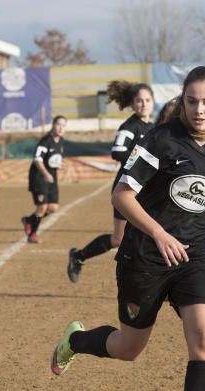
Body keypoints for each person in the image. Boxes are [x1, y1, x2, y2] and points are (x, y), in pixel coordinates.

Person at [50, 66, 205, 391]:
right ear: (183, 98)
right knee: (129, 349)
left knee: (204, 340)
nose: (198, 110)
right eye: (191, 101)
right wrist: (158, 233)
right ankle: (75, 341)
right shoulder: (159, 139)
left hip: (194, 257)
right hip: (144, 257)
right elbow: (121, 195)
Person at [66, 81, 154, 284]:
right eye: (139, 100)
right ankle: (78, 256)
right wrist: (138, 162)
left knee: (148, 235)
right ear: (133, 104)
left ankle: (152, 281)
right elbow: (117, 150)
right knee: (118, 239)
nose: (143, 104)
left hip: (146, 190)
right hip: (126, 189)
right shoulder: (130, 126)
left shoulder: (154, 127)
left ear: (153, 102)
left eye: (147, 100)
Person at [20, 115, 66, 244]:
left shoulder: (61, 141)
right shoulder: (45, 141)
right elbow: (37, 160)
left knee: (53, 208)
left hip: (51, 176)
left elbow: (55, 158)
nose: (61, 128)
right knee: (42, 207)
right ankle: (32, 234)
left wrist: (60, 166)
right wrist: (46, 174)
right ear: (53, 125)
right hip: (39, 177)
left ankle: (29, 220)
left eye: (63, 125)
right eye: (58, 124)